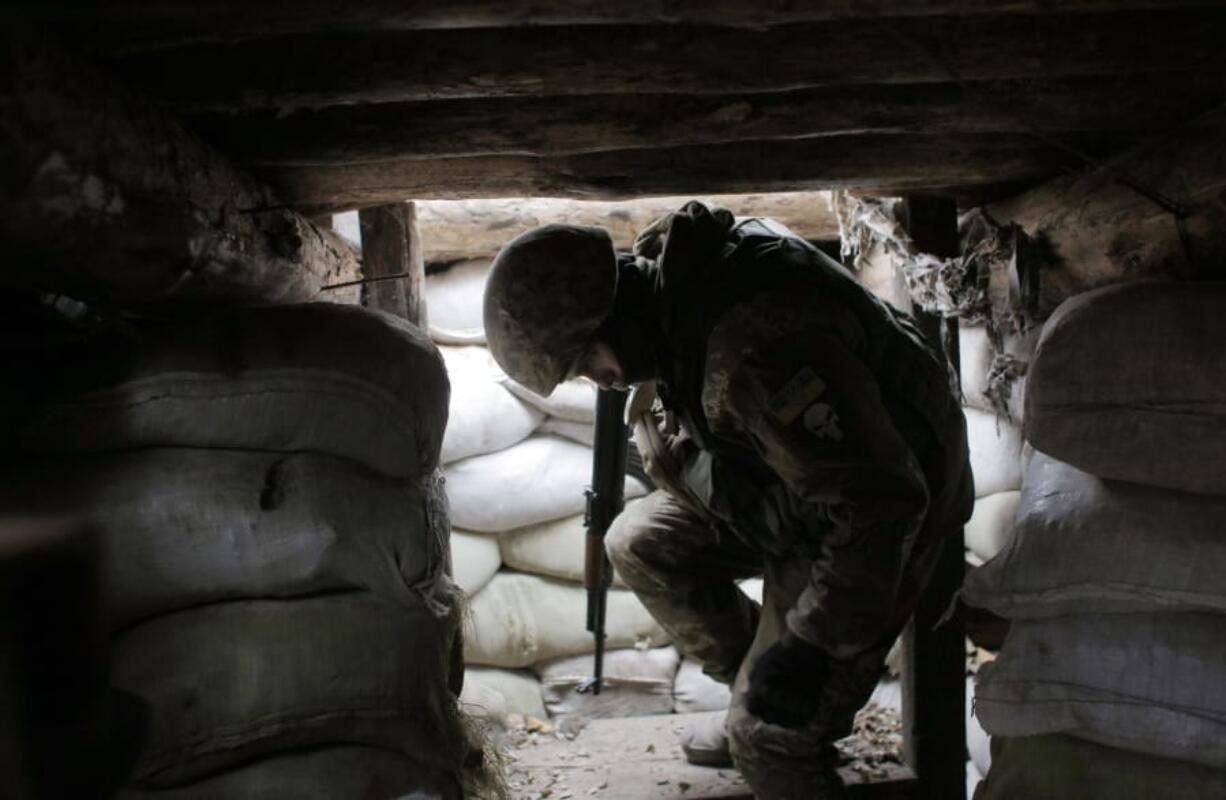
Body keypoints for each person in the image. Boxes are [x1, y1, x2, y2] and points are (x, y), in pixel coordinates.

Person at [483, 201, 973, 799]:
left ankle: (778, 725)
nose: (601, 380)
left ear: (614, 309)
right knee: (638, 543)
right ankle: (759, 689)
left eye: (589, 359)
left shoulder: (754, 349)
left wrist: (809, 649)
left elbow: (881, 504)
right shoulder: (670, 302)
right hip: (798, 487)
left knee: (767, 741)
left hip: (888, 511)